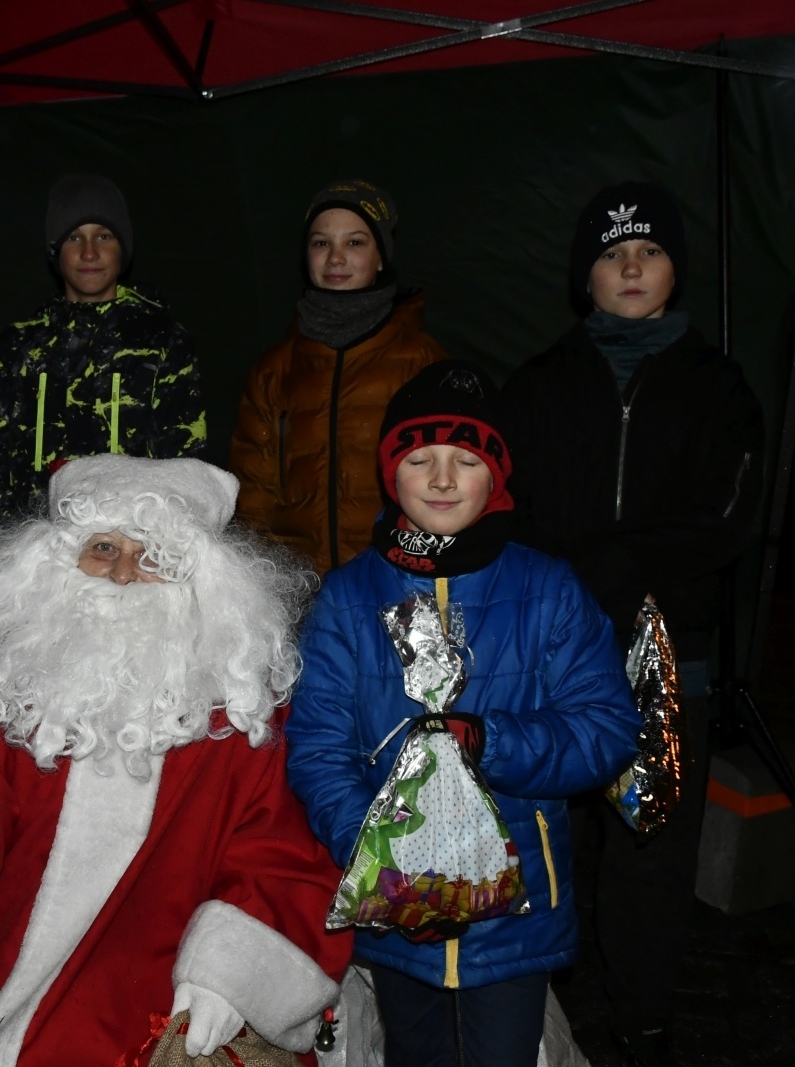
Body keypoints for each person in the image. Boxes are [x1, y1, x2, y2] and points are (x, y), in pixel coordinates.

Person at [0, 454, 352, 1066]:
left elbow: (284, 860)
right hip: (1, 982)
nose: (123, 575)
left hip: (165, 990)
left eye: (155, 556)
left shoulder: (241, 721)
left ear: (203, 581)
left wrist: (230, 975)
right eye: (104, 548)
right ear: (55, 568)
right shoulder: (7, 699)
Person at [285, 362, 640, 1067]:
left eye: (466, 460)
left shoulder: (548, 590)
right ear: (392, 472)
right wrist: (384, 846)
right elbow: (317, 745)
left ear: (497, 476)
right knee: (412, 1052)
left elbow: (606, 726)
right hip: (395, 912)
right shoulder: (348, 598)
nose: (443, 480)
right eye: (420, 459)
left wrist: (494, 739)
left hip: (517, 909)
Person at [498, 182, 764, 1067]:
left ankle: (644, 1014)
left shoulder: (717, 385)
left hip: (666, 652)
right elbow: (508, 512)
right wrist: (570, 590)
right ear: (587, 276)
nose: (632, 268)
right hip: (556, 652)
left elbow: (721, 519)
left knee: (649, 841)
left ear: (674, 267)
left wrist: (611, 568)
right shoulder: (537, 384)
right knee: (552, 828)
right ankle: (546, 995)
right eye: (613, 255)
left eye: (648, 251)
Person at [230, 179, 447, 573]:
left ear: (381, 256)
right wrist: (257, 584)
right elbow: (251, 499)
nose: (335, 258)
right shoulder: (274, 371)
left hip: (394, 583)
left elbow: (446, 487)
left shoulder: (423, 361)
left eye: (355, 242)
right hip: (297, 593)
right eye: (321, 243)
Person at [0, 173, 207, 518]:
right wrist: (1, 552)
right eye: (75, 237)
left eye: (103, 236)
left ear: (123, 248)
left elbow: (184, 469)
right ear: (55, 251)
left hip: (128, 548)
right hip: (28, 552)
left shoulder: (163, 342)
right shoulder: (17, 347)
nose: (89, 252)